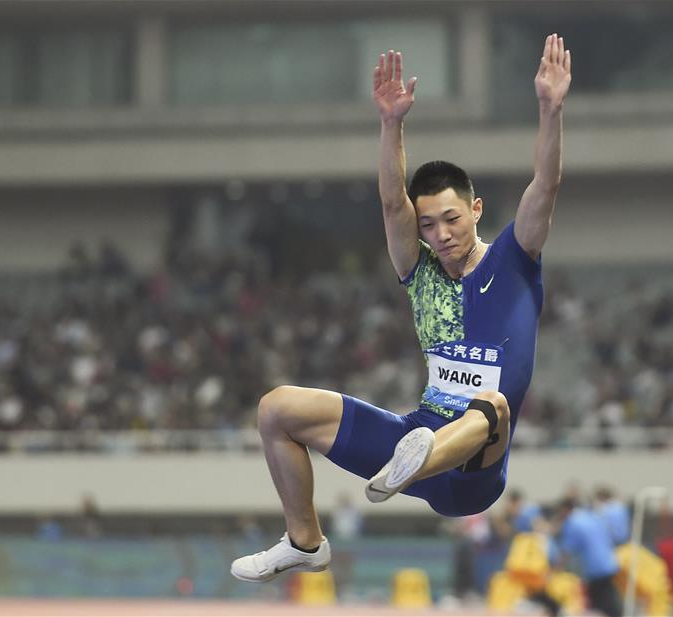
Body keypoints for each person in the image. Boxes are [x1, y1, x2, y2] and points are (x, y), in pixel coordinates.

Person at [230, 33, 572, 583]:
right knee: (276, 410)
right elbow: (392, 203)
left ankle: (419, 459)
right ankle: (305, 542)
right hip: (411, 441)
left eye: (452, 220)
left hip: (471, 471)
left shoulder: (515, 259)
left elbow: (546, 185)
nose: (440, 234)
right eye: (429, 224)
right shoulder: (421, 274)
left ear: (477, 210)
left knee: (492, 405)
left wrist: (550, 110)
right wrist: (391, 124)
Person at [552, 498, 622, 617]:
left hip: (595, 568)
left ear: (564, 510)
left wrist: (555, 570)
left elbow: (566, 552)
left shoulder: (572, 522)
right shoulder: (589, 516)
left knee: (600, 604)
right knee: (608, 598)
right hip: (609, 560)